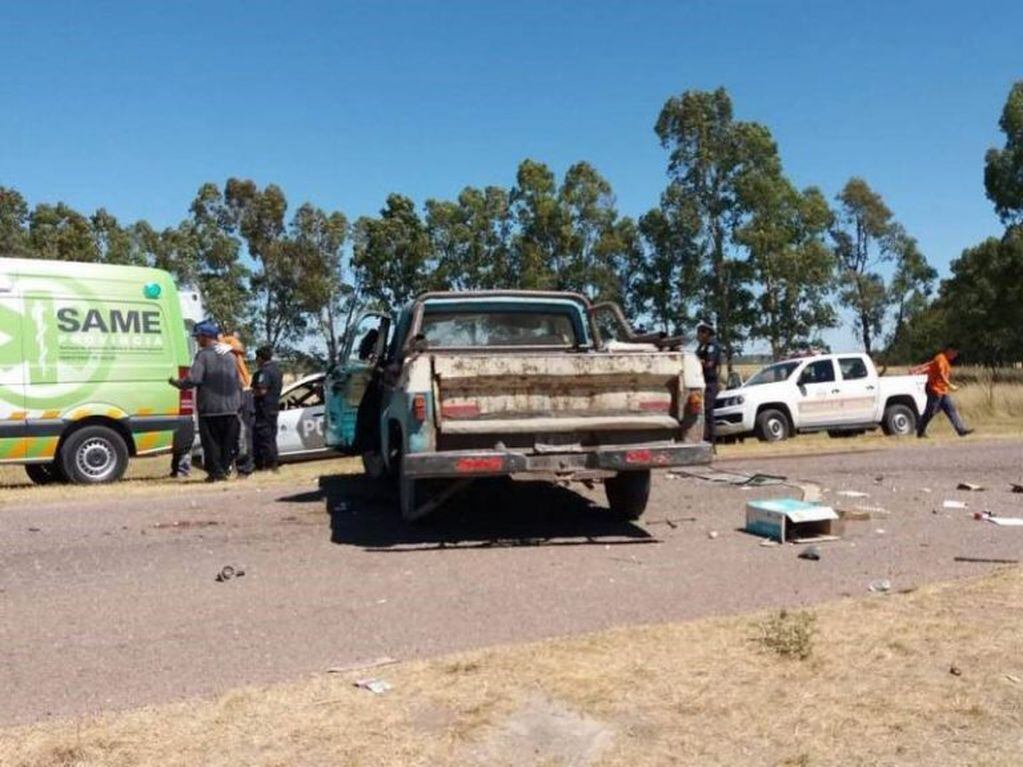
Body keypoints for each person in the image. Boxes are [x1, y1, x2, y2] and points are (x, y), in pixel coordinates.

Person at [168, 321, 243, 482]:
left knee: (212, 445)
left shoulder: (203, 355)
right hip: (231, 409)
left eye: (198, 337)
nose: (196, 340)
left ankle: (215, 474)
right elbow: (239, 383)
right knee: (227, 444)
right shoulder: (230, 356)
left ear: (205, 337)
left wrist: (176, 383)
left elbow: (193, 379)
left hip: (210, 409)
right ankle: (223, 471)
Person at [912, 343, 974, 439]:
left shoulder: (945, 360)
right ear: (949, 350)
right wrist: (950, 385)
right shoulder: (940, 358)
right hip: (934, 389)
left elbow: (931, 364)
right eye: (954, 353)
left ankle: (961, 430)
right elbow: (941, 374)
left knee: (951, 409)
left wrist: (919, 369)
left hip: (943, 391)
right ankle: (919, 429)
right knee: (931, 411)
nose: (955, 355)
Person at [221, 332, 254, 478]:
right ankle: (232, 466)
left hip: (241, 390)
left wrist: (223, 341)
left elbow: (239, 348)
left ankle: (244, 467)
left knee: (241, 433)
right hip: (232, 391)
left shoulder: (227, 343)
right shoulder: (225, 347)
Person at [252, 345, 283, 471]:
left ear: (260, 358)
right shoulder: (277, 370)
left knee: (265, 436)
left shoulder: (264, 372)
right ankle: (272, 463)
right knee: (271, 436)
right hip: (274, 406)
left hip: (264, 408)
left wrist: (252, 393)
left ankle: (269, 464)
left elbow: (262, 390)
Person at [695, 320, 721, 444]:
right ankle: (704, 437)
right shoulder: (702, 346)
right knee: (702, 411)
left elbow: (710, 364)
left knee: (708, 411)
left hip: (710, 383)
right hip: (702, 382)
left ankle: (711, 441)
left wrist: (697, 362)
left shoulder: (712, 345)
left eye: (700, 332)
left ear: (706, 333)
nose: (697, 335)